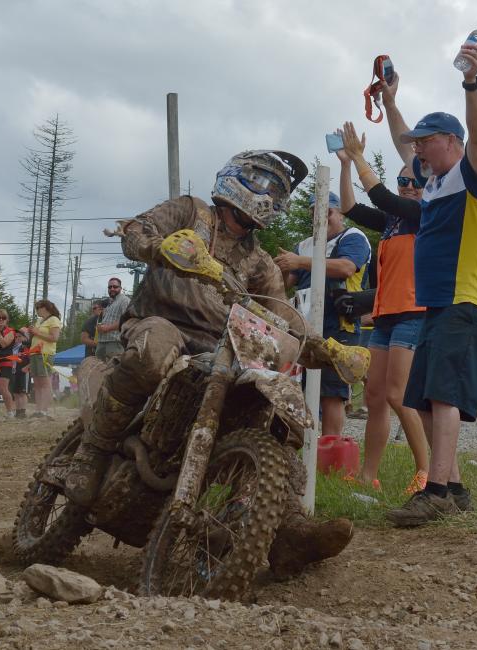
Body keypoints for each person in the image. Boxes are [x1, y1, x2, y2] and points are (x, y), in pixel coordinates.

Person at [63, 149, 356, 576]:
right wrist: (157, 247)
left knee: (272, 410)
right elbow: (136, 230)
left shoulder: (258, 259)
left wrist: (325, 347)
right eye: (261, 182)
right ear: (235, 177)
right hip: (160, 321)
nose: (265, 194)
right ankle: (92, 453)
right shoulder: (190, 212)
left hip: (219, 346)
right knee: (152, 353)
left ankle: (284, 526)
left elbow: (279, 309)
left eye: (275, 191)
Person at [379, 39, 477, 527]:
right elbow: (399, 141)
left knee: (444, 397)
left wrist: (471, 82)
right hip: (440, 303)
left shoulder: (473, 173)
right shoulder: (433, 181)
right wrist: (391, 102)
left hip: (471, 300)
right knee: (426, 399)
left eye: (426, 140)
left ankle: (434, 491)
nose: (417, 148)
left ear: (450, 142)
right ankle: (452, 487)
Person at [335, 128, 430, 495]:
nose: (407, 186)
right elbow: (349, 208)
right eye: (402, 181)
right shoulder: (392, 222)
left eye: (413, 182)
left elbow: (381, 196)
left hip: (414, 312)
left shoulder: (424, 214)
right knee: (375, 395)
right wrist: (346, 165)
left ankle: (427, 472)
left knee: (398, 394)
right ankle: (366, 474)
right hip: (387, 315)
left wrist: (361, 158)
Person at [274, 191, 371, 440]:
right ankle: (304, 444)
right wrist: (282, 268)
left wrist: (300, 261)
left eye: (327, 211)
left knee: (332, 391)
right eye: (315, 212)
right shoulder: (305, 245)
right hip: (303, 322)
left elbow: (346, 267)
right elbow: (289, 282)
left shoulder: (353, 237)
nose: (322, 217)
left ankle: (330, 449)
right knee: (299, 386)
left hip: (338, 321)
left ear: (339, 212)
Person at [26, 299, 62, 418]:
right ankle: (38, 409)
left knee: (45, 382)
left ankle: (44, 411)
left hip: (45, 353)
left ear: (45, 308)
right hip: (34, 353)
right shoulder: (39, 320)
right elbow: (37, 335)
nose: (36, 311)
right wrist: (31, 332)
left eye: (38, 308)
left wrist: (36, 332)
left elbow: (54, 337)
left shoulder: (54, 319)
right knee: (37, 383)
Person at [95, 278, 129, 360]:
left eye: (115, 286)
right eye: (110, 287)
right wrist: (100, 327)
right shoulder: (110, 303)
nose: (112, 289)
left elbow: (126, 320)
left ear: (120, 288)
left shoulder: (125, 300)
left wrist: (107, 328)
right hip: (102, 342)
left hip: (115, 342)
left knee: (113, 370)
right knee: (99, 371)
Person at [10, 329, 30, 418]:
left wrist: (27, 367)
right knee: (15, 393)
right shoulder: (12, 347)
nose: (17, 338)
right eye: (16, 336)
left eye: (19, 336)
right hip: (13, 371)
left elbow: (32, 359)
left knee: (22, 392)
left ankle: (23, 411)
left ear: (24, 337)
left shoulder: (25, 347)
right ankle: (18, 411)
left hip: (23, 371)